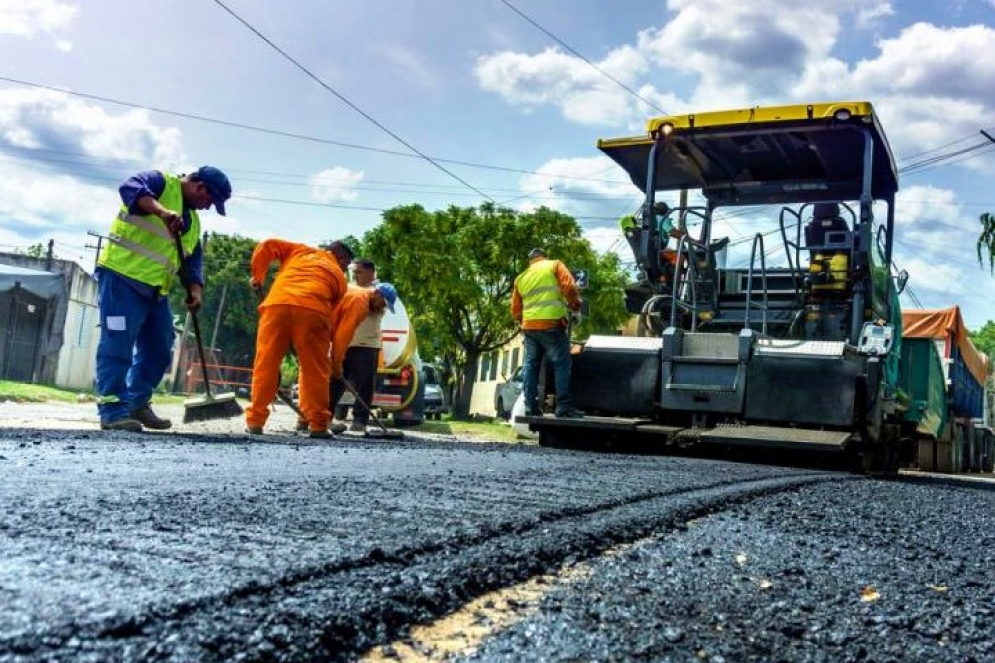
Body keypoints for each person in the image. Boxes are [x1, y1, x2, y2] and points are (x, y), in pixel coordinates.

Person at [94, 166, 232, 432]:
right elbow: (129, 188)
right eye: (209, 201)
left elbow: (193, 262)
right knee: (117, 345)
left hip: (156, 292)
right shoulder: (159, 183)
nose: (207, 207)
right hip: (122, 278)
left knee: (160, 347)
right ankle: (112, 411)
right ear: (200, 187)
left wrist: (196, 291)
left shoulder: (193, 223)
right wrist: (162, 211)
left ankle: (137, 402)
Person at [246, 239, 354, 438]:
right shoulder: (339, 278)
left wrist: (258, 277)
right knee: (315, 369)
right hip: (314, 310)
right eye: (346, 264)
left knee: (266, 364)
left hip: (277, 305)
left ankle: (255, 422)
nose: (345, 269)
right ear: (340, 258)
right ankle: (319, 425)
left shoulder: (298, 251)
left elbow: (267, 245)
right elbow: (331, 313)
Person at [511, 247, 585, 418]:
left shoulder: (521, 277)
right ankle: (563, 407)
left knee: (531, 365)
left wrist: (525, 321)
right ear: (544, 256)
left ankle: (530, 406)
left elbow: (515, 310)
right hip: (552, 325)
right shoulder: (554, 265)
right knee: (561, 363)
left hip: (529, 327)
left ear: (530, 260)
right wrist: (575, 308)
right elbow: (569, 287)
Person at [327, 281, 398, 433]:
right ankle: (325, 417)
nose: (383, 307)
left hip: (367, 348)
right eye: (383, 303)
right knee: (335, 383)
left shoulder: (375, 307)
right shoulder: (360, 299)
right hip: (346, 345)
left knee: (365, 386)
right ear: (378, 294)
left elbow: (373, 306)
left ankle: (359, 421)